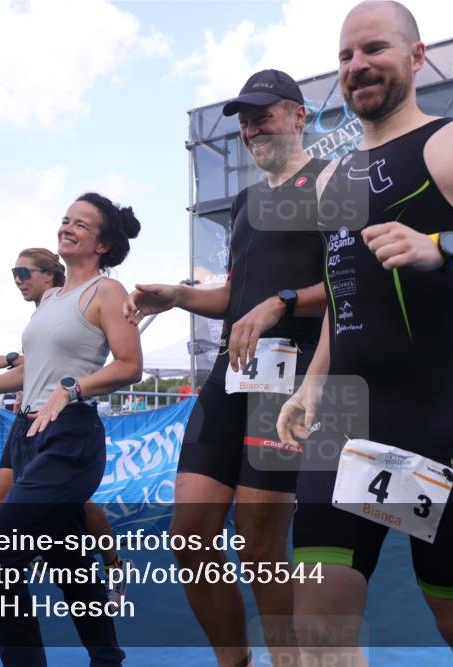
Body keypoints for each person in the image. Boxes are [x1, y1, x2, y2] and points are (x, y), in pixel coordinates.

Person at [276, 3, 453, 665]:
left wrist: (443, 246)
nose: (357, 66)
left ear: (417, 56)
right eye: (345, 56)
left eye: (373, 49)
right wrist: (310, 387)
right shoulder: (334, 178)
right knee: (317, 624)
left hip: (440, 428)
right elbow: (347, 304)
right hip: (346, 429)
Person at [124, 69, 328, 667]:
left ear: (298, 115)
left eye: (263, 112)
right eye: (243, 117)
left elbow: (351, 284)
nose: (251, 125)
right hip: (231, 372)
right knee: (189, 537)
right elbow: (238, 293)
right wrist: (180, 295)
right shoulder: (245, 202)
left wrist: (280, 302)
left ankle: (288, 661)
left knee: (261, 540)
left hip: (293, 376)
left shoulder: (332, 183)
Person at [0, 193, 142, 666]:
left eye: (82, 225)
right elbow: (29, 372)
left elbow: (130, 367)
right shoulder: (51, 297)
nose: (67, 227)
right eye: (66, 220)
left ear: (104, 244)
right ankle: (107, 659)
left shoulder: (107, 293)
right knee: (72, 566)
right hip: (29, 434)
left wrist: (72, 389)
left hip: (70, 438)